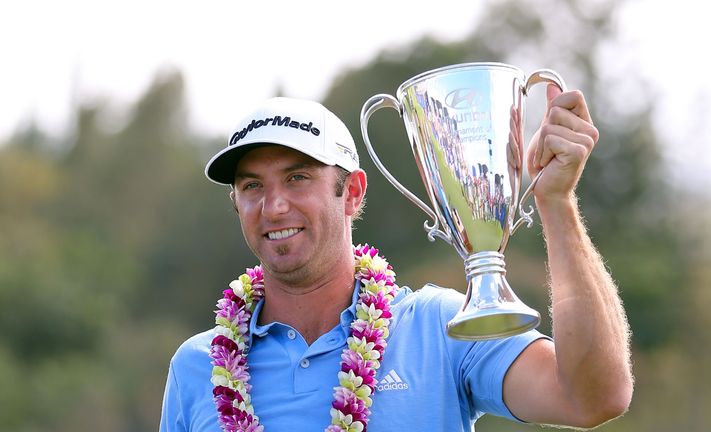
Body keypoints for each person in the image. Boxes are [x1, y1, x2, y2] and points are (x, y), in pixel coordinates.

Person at [160, 90, 633, 431]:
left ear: (352, 193)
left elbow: (593, 397)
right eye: (251, 186)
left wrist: (557, 204)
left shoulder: (443, 328)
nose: (274, 205)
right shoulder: (197, 366)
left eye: (298, 177)